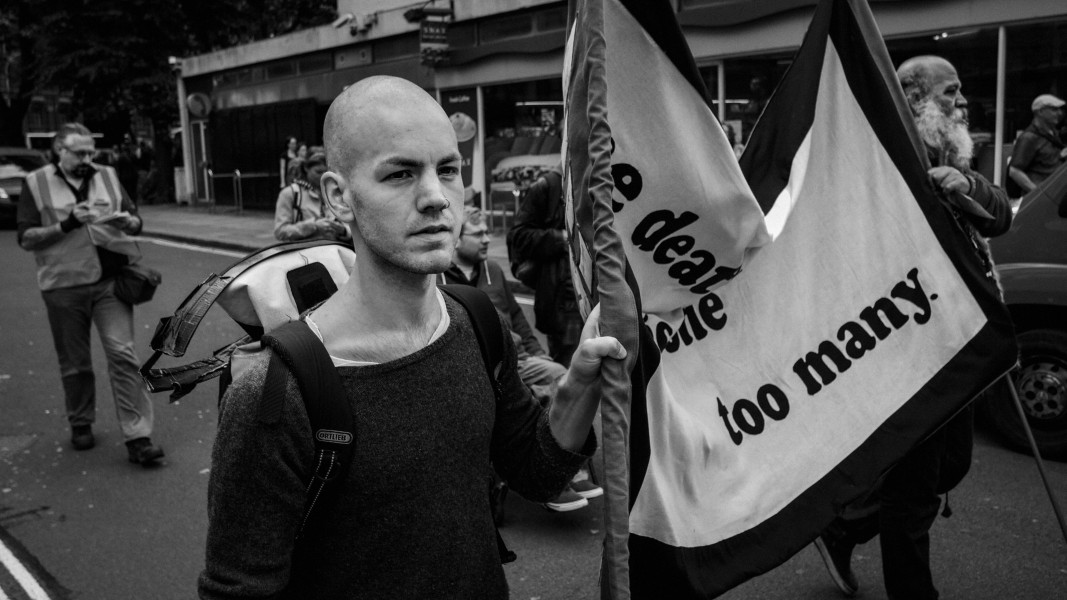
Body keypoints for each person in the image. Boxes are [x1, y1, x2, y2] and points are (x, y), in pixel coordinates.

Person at [198, 76, 624, 599]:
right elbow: (238, 589)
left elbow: (536, 474)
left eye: (448, 170)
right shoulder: (274, 396)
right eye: (400, 174)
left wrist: (580, 381)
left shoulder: (475, 320)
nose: (435, 199)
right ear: (339, 196)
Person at [813, 56, 1012, 600]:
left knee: (953, 464)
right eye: (950, 92)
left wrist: (964, 183)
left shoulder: (951, 154)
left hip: (958, 338)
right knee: (915, 488)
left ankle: (845, 526)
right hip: (908, 347)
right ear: (915, 95)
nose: (961, 102)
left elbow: (1001, 216)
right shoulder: (877, 157)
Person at [16, 123, 165, 466]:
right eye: (79, 152)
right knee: (76, 363)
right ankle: (81, 421)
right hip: (63, 285)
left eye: (90, 152)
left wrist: (130, 223)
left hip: (111, 283)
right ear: (59, 150)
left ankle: (138, 437)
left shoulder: (108, 175)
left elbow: (135, 218)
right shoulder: (36, 182)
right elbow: (26, 239)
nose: (87, 158)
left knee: (123, 355)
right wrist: (67, 224)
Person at [439, 206, 602, 512]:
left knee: (559, 375)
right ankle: (549, 483)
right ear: (457, 241)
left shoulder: (494, 271)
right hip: (479, 365)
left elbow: (517, 317)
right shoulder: (436, 279)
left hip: (519, 358)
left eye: (489, 232)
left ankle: (568, 468)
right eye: (479, 234)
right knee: (532, 394)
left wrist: (537, 353)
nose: (488, 239)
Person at [508, 164, 584, 367]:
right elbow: (519, 236)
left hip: (595, 292)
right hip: (564, 300)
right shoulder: (549, 186)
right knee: (569, 368)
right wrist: (562, 238)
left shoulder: (601, 180)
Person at [272, 151, 350, 243]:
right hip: (303, 255)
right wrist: (314, 226)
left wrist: (343, 231)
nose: (323, 176)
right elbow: (280, 231)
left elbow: (351, 228)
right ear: (306, 168)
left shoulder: (334, 192)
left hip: (334, 252)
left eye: (326, 172)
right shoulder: (290, 194)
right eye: (318, 172)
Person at [1008, 93, 1066, 195]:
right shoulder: (1029, 138)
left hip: (1056, 194)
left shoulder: (1053, 134)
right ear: (1041, 111)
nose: (1059, 113)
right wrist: (1038, 194)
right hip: (1043, 200)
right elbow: (1014, 171)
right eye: (1054, 110)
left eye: (1060, 110)